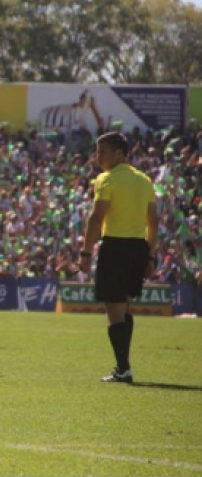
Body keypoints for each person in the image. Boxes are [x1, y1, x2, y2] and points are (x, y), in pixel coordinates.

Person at [78, 132, 157, 383]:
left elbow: (96, 218)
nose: (97, 157)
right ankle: (123, 366)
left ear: (119, 153)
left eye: (103, 152)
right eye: (97, 151)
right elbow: (153, 223)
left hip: (115, 246)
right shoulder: (144, 181)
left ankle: (123, 368)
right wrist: (150, 256)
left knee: (114, 308)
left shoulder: (106, 179)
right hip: (138, 248)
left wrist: (86, 251)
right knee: (124, 304)